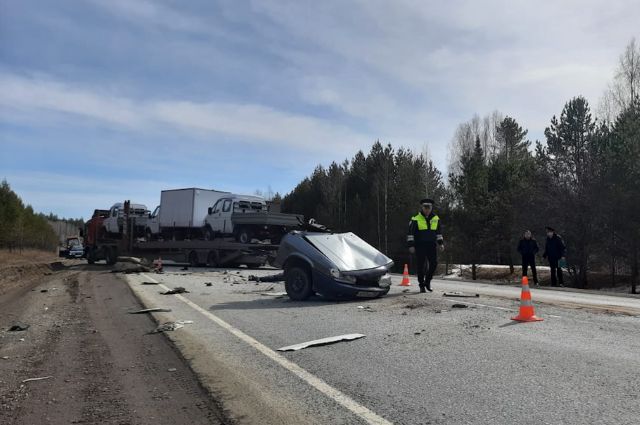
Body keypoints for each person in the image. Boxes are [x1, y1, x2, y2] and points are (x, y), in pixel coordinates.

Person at [407, 198, 444, 293]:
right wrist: (411, 245)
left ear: (432, 207)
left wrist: (440, 244)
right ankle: (421, 285)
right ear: (422, 207)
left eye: (429, 207)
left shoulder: (436, 218)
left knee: (434, 263)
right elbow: (410, 234)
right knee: (421, 266)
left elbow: (439, 233)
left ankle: (427, 281)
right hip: (420, 245)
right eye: (425, 207)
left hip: (431, 245)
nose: (427, 209)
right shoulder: (415, 218)